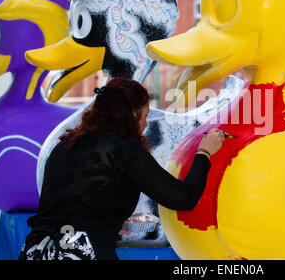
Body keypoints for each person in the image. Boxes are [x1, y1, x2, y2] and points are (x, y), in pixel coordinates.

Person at [18, 77, 224, 260]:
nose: (145, 125)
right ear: (131, 115)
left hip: (35, 250)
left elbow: (70, 206)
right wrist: (204, 153)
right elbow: (183, 198)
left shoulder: (64, 145)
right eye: (144, 116)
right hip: (81, 253)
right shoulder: (124, 151)